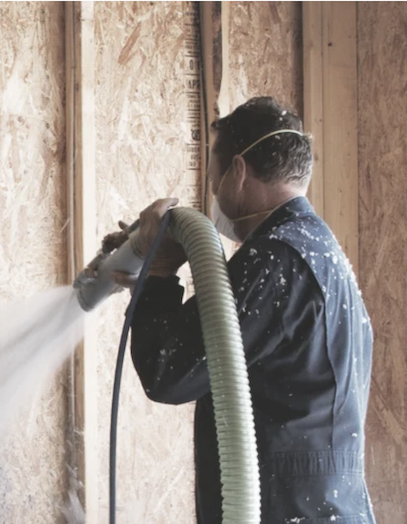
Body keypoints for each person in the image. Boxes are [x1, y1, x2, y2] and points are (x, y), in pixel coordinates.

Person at [112, 97, 376, 523]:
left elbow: (169, 371)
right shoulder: (321, 250)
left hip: (282, 510)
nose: (214, 195)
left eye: (215, 180)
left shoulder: (274, 259)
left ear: (238, 171)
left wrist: (159, 274)